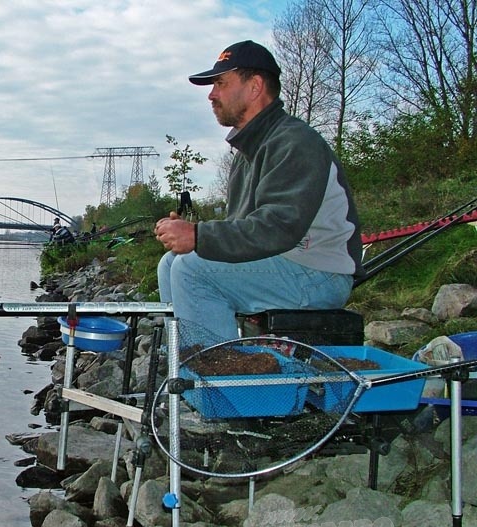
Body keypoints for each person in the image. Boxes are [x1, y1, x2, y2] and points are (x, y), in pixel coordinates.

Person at [155, 40, 364, 341]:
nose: (212, 94)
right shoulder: (248, 151)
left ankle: (217, 385)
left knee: (191, 270)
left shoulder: (295, 142)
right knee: (171, 264)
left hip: (318, 273)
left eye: (221, 83)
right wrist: (190, 233)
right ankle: (185, 371)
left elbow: (277, 228)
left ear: (254, 87)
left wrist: (198, 235)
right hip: (285, 263)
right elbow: (241, 229)